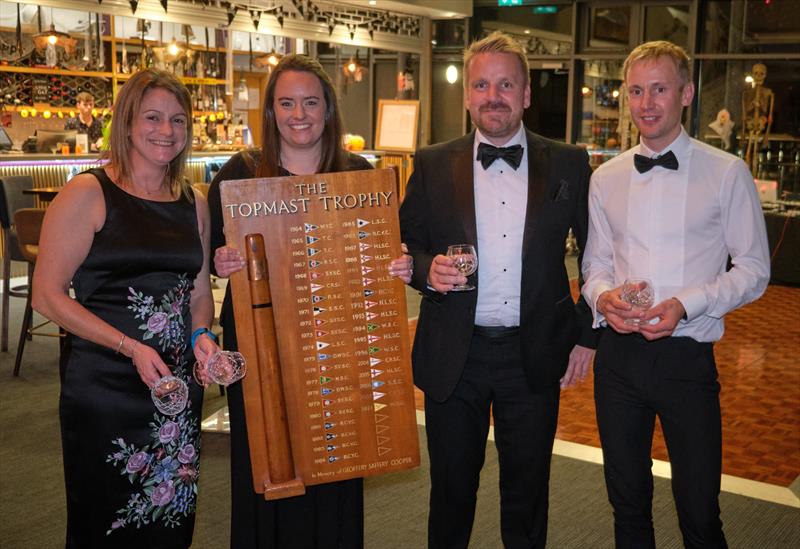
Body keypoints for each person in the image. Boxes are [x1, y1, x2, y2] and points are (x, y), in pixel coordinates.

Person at [399, 31, 597, 549]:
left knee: (528, 494)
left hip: (534, 353)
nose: (493, 96)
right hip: (454, 354)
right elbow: (406, 243)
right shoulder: (431, 161)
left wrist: (585, 333)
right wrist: (426, 271)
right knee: (450, 493)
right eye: (482, 84)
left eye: (506, 84)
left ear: (526, 94)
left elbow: (600, 253)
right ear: (467, 94)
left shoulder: (570, 162)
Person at [207, 54, 408, 549]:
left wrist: (395, 263)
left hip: (339, 341)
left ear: (328, 110)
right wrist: (222, 261)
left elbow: (376, 257)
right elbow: (209, 257)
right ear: (271, 111)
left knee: (342, 460)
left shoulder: (359, 173)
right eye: (287, 102)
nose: (300, 113)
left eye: (311, 102)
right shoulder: (239, 173)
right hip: (262, 346)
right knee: (267, 465)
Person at [581, 41, 770, 549]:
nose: (646, 103)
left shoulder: (727, 172)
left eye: (659, 89)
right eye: (637, 90)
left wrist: (688, 303)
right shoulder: (605, 178)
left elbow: (754, 268)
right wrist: (604, 299)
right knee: (627, 509)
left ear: (686, 93)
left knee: (700, 515)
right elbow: (594, 264)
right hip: (617, 362)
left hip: (687, 360)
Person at [32, 69, 220, 548]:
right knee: (105, 520)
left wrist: (203, 337)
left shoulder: (193, 201)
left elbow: (199, 293)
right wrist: (129, 347)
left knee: (170, 520)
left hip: (175, 391)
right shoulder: (88, 193)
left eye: (178, 120)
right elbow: (47, 295)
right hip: (105, 388)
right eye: (153, 117)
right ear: (128, 123)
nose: (166, 131)